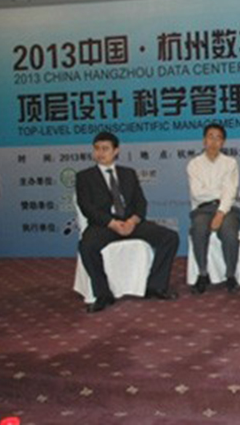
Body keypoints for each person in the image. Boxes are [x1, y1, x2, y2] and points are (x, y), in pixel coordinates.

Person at [75, 132, 179, 313]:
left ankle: (155, 286)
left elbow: (141, 203)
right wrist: (112, 223)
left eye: (105, 149)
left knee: (170, 238)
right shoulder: (84, 177)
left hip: (131, 223)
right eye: (97, 149)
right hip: (104, 225)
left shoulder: (128, 173)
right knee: (86, 246)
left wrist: (132, 221)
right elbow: (87, 207)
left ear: (116, 151)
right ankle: (103, 294)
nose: (100, 153)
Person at [187, 123, 240, 294]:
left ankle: (230, 275)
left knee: (229, 232)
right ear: (204, 140)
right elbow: (197, 193)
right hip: (202, 209)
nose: (213, 141)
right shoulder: (194, 164)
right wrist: (219, 191)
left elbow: (230, 191)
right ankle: (203, 274)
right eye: (210, 137)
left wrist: (220, 212)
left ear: (223, 142)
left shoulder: (230, 163)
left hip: (226, 209)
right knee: (199, 229)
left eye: (218, 138)